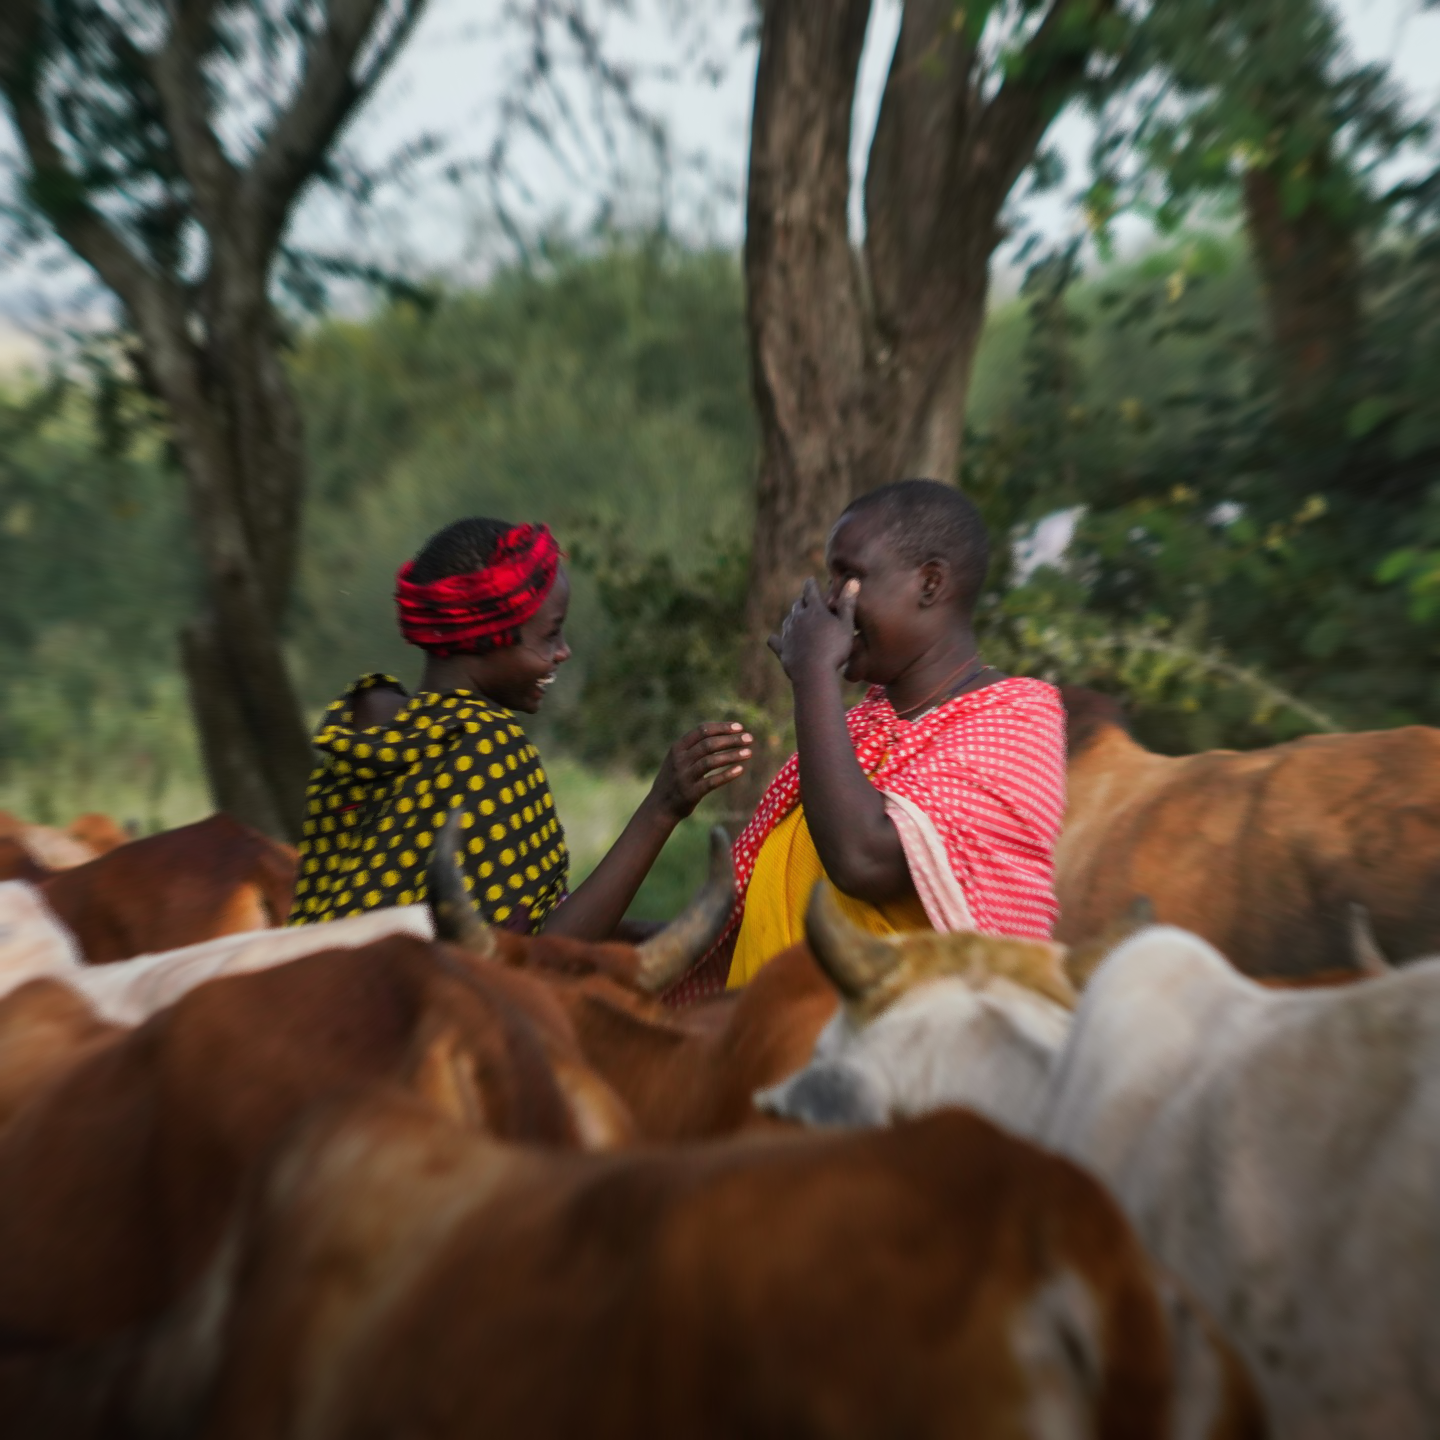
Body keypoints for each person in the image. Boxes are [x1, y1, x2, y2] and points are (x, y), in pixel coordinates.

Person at [672, 479, 1067, 1001]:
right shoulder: (862, 728)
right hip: (770, 1050)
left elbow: (862, 860)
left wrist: (813, 673)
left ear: (930, 584)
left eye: (850, 578)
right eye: (832, 580)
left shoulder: (1016, 718)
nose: (832, 604)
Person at [288, 517, 752, 937]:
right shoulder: (486, 747)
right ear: (484, 634)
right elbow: (535, 960)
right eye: (550, 635)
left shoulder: (373, 728)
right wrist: (662, 807)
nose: (563, 652)